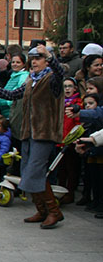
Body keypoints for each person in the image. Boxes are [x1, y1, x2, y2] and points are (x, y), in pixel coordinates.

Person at [0, 45, 66, 229]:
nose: (34, 62)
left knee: (34, 171)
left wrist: (51, 56)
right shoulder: (31, 79)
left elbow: (60, 73)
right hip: (28, 132)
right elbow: (13, 95)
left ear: (46, 60)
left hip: (44, 133)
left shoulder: (51, 79)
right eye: (33, 59)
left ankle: (54, 211)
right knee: (26, 171)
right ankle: (42, 210)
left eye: (39, 58)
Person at [57, 77, 83, 205]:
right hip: (59, 139)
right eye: (65, 86)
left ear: (75, 88)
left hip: (71, 140)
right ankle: (60, 192)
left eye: (69, 86)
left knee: (72, 169)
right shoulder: (59, 102)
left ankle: (69, 193)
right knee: (61, 169)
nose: (67, 89)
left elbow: (79, 123)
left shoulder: (78, 103)